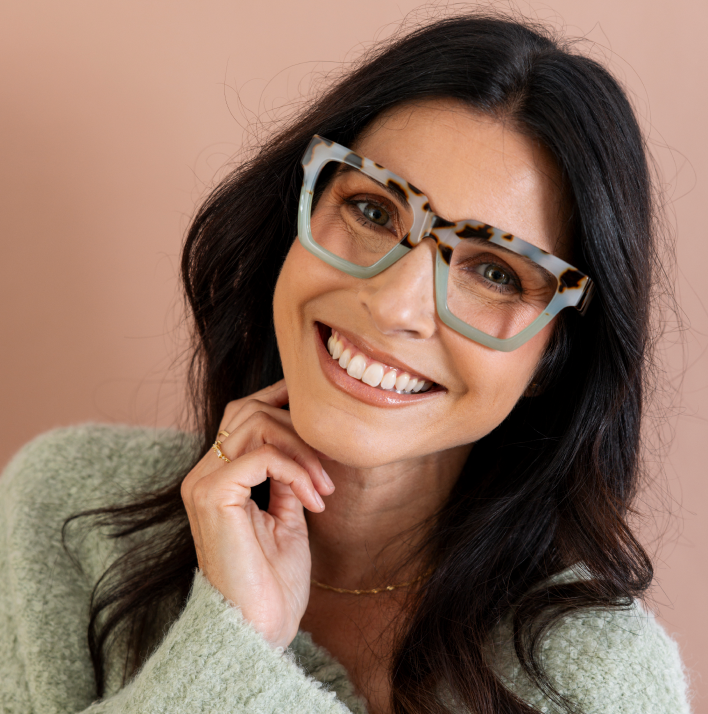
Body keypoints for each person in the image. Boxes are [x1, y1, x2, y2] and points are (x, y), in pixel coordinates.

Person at [0, 12, 691, 714]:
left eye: (497, 274)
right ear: (292, 218)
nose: (394, 305)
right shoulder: (67, 516)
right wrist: (235, 632)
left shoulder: (600, 686)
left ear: (555, 355)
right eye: (372, 210)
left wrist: (232, 660)